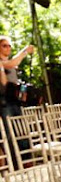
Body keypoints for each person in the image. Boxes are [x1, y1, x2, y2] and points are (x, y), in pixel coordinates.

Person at [0, 35, 34, 167]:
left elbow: (14, 63)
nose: (8, 48)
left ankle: (26, 160)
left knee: (22, 130)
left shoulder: (12, 63)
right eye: (4, 45)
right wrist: (25, 51)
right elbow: (12, 63)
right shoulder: (3, 63)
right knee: (9, 132)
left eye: (9, 46)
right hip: (4, 102)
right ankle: (15, 163)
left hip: (15, 101)